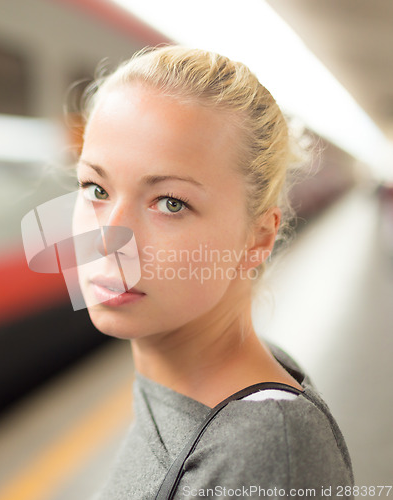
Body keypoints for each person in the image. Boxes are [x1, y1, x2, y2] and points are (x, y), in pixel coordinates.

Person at [73, 45, 354, 499]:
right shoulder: (179, 388)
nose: (108, 240)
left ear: (258, 238)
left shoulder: (266, 452)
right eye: (95, 188)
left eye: (170, 203)